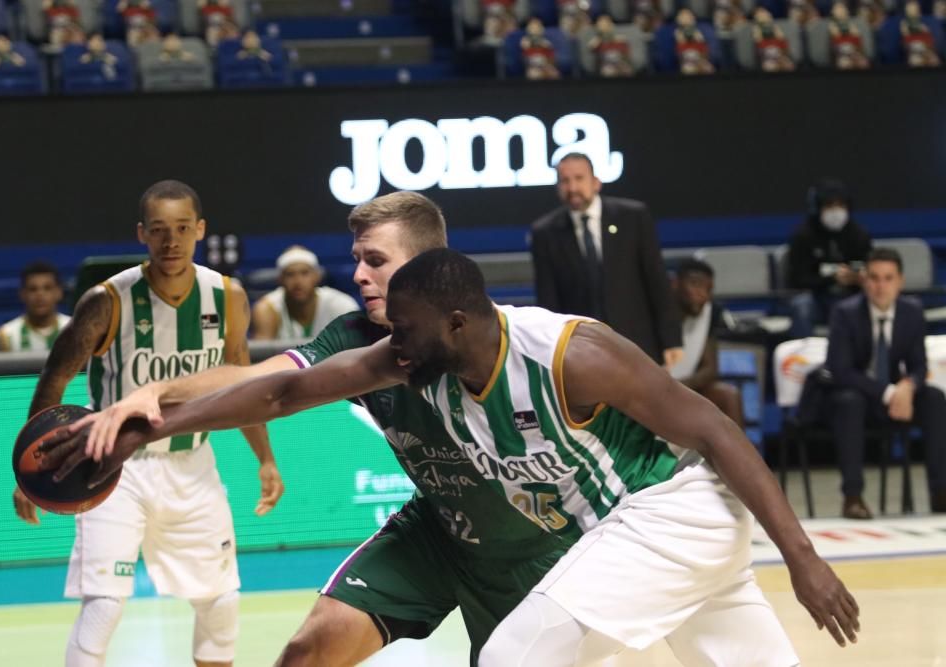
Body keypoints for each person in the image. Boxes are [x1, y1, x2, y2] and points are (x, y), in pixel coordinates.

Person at [45, 249, 860, 667]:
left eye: (406, 326)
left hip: (665, 515)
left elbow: (717, 431)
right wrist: (151, 426)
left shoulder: (573, 351)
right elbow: (282, 393)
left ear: (461, 321)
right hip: (649, 537)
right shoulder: (409, 357)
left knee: (511, 654)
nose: (391, 341)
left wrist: (804, 557)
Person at [42, 191, 568, 666]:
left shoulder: (508, 338)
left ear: (427, 268)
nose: (359, 274)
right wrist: (157, 393)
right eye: (357, 259)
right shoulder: (354, 336)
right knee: (307, 651)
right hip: (438, 528)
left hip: (529, 538)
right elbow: (262, 382)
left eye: (376, 261)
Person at [12, 180, 283, 667]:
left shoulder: (227, 297)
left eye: (182, 229)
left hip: (193, 464)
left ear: (200, 230)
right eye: (159, 230)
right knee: (104, 606)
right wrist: (29, 470)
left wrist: (264, 458)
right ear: (142, 234)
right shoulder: (107, 301)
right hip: (114, 467)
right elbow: (55, 379)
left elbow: (242, 384)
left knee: (221, 600)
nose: (171, 241)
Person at [825, 247, 946, 519]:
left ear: (900, 281)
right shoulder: (845, 313)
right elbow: (840, 370)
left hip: (894, 398)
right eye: (875, 278)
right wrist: (889, 391)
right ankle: (853, 497)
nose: (881, 286)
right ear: (864, 280)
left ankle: (941, 492)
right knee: (849, 402)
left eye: (888, 278)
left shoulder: (912, 312)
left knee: (934, 398)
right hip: (856, 395)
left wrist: (909, 386)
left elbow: (919, 365)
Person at [530, 153, 683, 367]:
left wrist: (671, 339)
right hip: (582, 351)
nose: (572, 188)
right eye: (565, 181)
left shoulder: (633, 217)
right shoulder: (545, 233)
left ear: (596, 182)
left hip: (638, 343)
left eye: (579, 178)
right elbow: (549, 300)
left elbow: (656, 279)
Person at [787, 179, 872, 338]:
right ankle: (806, 357)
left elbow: (869, 268)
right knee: (801, 306)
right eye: (830, 206)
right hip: (817, 297)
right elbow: (797, 279)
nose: (836, 211)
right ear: (818, 208)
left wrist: (858, 278)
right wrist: (832, 278)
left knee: (872, 302)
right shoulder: (804, 236)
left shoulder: (859, 235)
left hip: (850, 295)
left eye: (840, 206)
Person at [669, 258, 743, 427]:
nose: (703, 293)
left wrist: (681, 387)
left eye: (708, 289)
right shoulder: (655, 311)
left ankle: (740, 453)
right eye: (695, 284)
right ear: (675, 284)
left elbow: (710, 369)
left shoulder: (710, 312)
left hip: (684, 387)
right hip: (650, 390)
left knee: (728, 395)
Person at [250, 245, 358, 342]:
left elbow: (356, 353)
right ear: (280, 280)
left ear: (317, 276)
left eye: (305, 273)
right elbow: (260, 360)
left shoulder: (341, 305)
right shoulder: (268, 308)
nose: (298, 282)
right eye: (290, 274)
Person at [0, 261, 71, 352]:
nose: (40, 295)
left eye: (47, 288)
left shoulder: (76, 331)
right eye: (33, 289)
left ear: (59, 292)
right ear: (22, 294)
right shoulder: (4, 337)